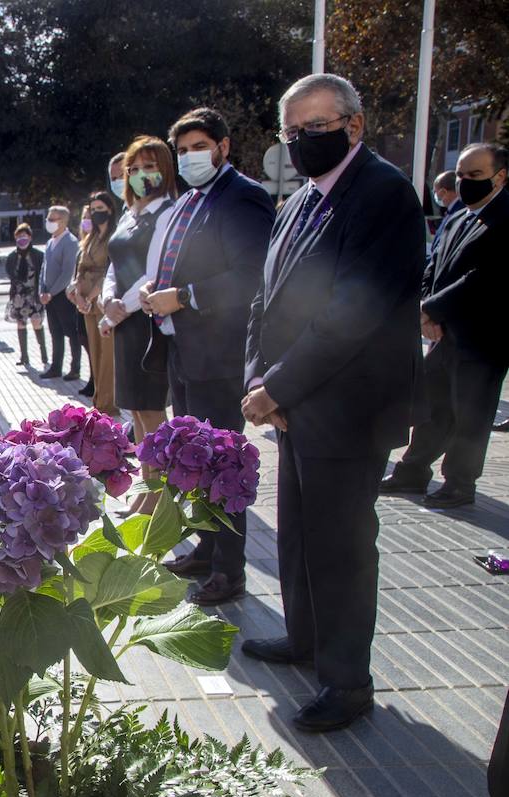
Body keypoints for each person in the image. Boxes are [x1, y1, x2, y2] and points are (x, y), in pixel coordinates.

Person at [240, 74, 424, 732]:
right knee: (298, 534)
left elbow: (353, 313)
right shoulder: (300, 200)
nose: (301, 142)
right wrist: (258, 380)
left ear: (355, 124)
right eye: (292, 131)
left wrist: (277, 386)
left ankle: (348, 683)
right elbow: (265, 298)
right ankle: (306, 638)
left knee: (341, 548)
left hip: (349, 409)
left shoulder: (383, 194)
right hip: (293, 404)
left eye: (315, 128)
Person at [141, 107, 275, 606]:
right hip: (186, 351)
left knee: (222, 464)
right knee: (194, 461)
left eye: (199, 147)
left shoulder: (243, 197)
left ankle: (229, 571)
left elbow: (250, 275)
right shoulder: (193, 199)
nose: (190, 157)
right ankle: (207, 548)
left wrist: (185, 296)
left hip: (220, 355)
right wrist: (159, 289)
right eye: (183, 150)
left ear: (223, 147)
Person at [381, 143, 508, 509]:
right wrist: (426, 309)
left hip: (482, 338)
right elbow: (433, 266)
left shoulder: (505, 218)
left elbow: (485, 278)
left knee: (471, 414)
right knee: (432, 406)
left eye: (476, 175)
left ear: (500, 176)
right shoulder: (458, 217)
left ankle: (460, 483)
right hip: (443, 334)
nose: (466, 182)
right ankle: (413, 471)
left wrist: (432, 309)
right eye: (462, 175)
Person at [101, 137, 176, 472]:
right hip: (124, 324)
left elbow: (155, 273)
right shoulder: (129, 215)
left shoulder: (168, 213)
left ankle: (160, 490)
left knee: (151, 409)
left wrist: (118, 311)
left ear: (165, 170)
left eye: (149, 166)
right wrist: (107, 300)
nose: (140, 174)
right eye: (133, 169)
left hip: (148, 321)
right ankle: (147, 484)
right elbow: (113, 266)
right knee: (135, 409)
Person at [69, 192, 119, 413]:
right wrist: (79, 296)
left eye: (100, 208)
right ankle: (98, 401)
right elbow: (80, 270)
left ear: (110, 209)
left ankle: (107, 404)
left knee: (107, 356)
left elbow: (109, 271)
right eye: (93, 209)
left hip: (102, 301)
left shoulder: (113, 237)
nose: (96, 213)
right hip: (86, 305)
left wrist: (90, 297)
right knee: (95, 354)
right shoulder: (90, 238)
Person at [38, 207, 79, 379]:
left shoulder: (70, 242)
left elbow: (67, 272)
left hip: (63, 295)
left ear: (63, 221)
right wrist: (42, 290)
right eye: (48, 218)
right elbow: (44, 268)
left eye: (52, 219)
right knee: (55, 332)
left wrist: (52, 292)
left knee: (71, 332)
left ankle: (75, 368)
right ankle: (56, 367)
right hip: (49, 295)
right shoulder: (50, 242)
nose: (48, 222)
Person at [4, 222, 46, 369]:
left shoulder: (38, 255)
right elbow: (10, 273)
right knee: (21, 324)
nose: (21, 239)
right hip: (19, 296)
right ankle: (24, 356)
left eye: (24, 236)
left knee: (36, 322)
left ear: (30, 237)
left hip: (34, 295)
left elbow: (42, 274)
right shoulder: (12, 257)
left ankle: (44, 354)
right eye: (18, 236)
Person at [429, 169, 462, 252]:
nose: (435, 195)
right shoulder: (452, 211)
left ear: (443, 192)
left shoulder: (459, 213)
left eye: (435, 192)